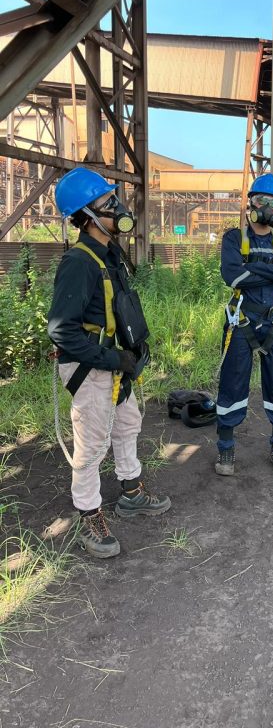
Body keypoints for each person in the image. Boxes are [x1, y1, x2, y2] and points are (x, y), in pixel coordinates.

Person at [48, 168, 171, 559]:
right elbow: (62, 331)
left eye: (113, 200)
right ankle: (88, 512)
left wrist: (134, 351)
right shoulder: (78, 263)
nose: (118, 207)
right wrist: (110, 358)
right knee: (92, 443)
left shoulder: (110, 255)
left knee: (129, 423)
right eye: (108, 203)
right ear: (87, 215)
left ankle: (131, 492)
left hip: (114, 360)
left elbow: (119, 309)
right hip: (90, 365)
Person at [215, 173, 273, 476]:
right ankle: (226, 449)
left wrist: (252, 267)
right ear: (250, 202)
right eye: (262, 201)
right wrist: (272, 270)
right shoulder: (233, 238)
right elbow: (232, 276)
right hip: (242, 320)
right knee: (232, 383)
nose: (268, 208)